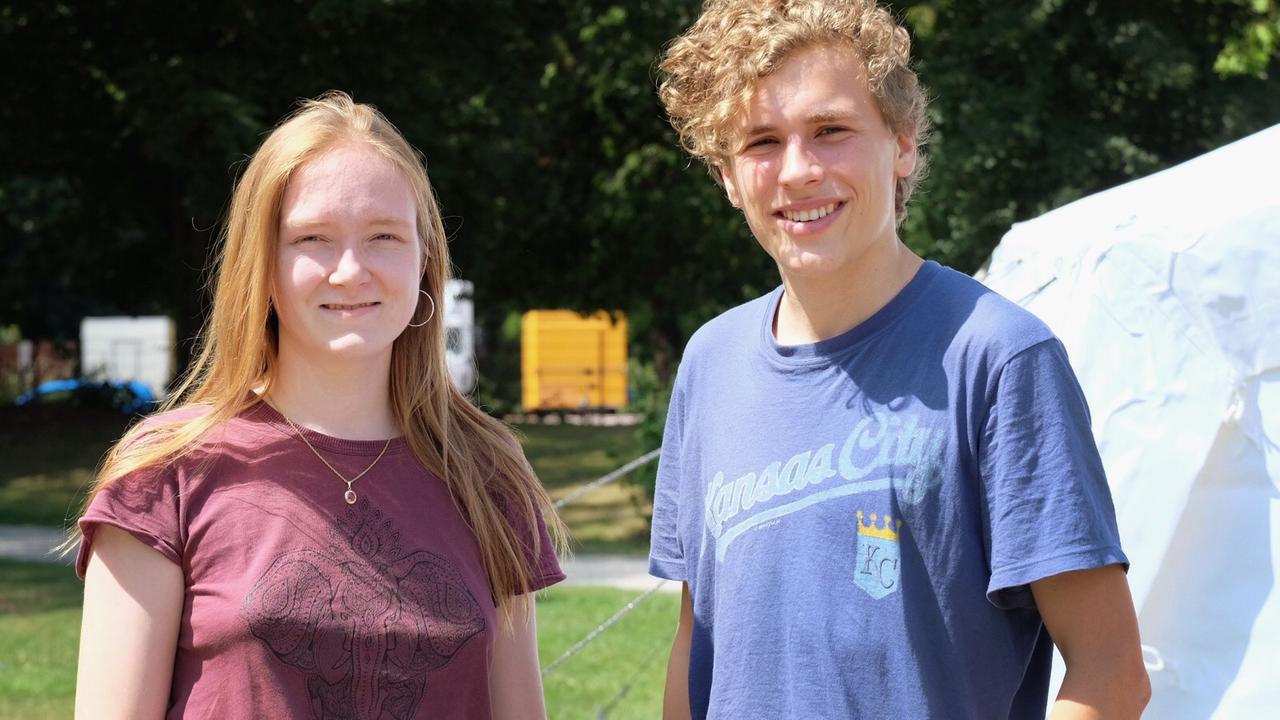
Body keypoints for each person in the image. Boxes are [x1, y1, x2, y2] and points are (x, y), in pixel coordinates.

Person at [647, 1, 1150, 718]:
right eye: (762, 141)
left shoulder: (1000, 359)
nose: (797, 171)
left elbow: (1112, 674)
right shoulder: (709, 364)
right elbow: (696, 649)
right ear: (728, 176)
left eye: (831, 131)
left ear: (903, 142)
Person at [73, 91, 565, 720]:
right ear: (263, 267)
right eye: (313, 239)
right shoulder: (165, 472)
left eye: (384, 236)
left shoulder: (486, 472)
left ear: (424, 261)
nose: (351, 270)